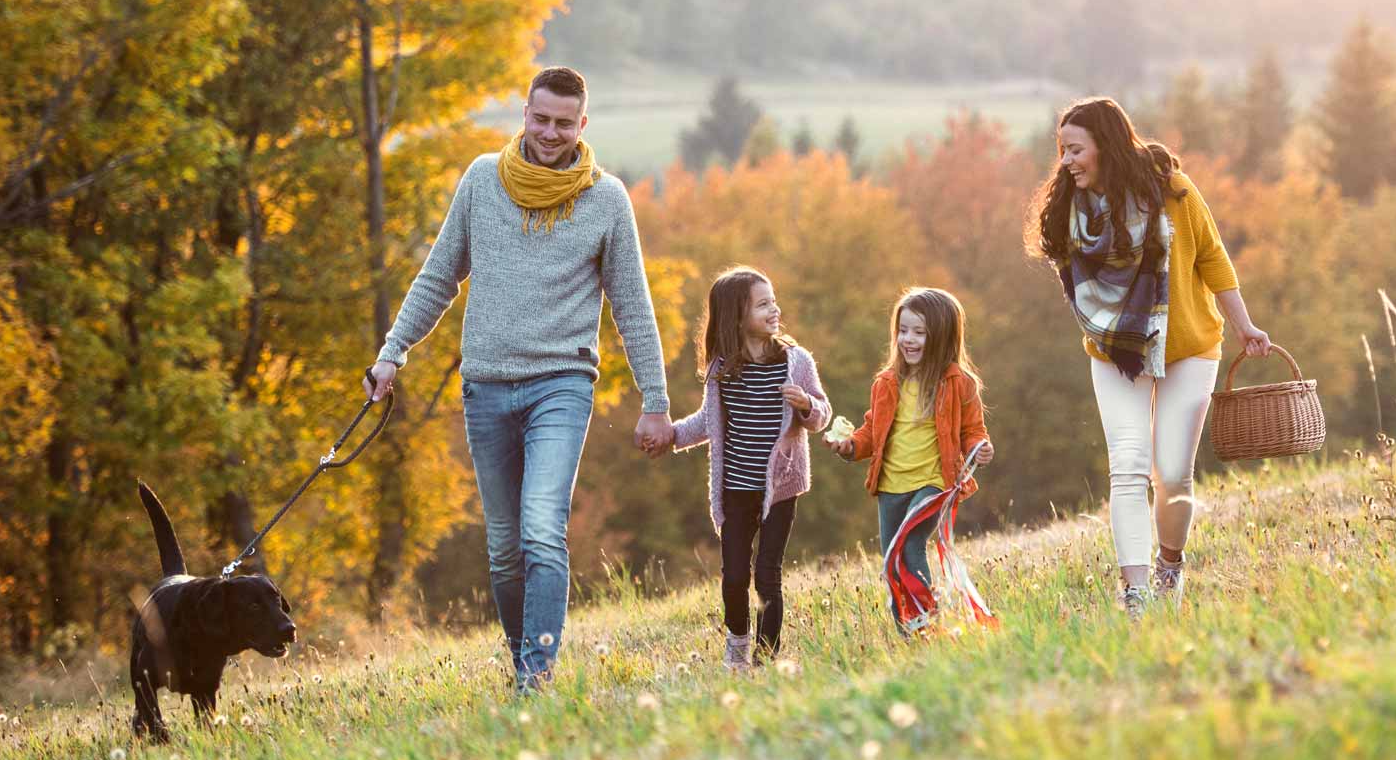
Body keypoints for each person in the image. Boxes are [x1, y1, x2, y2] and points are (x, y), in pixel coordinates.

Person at [364, 66, 671, 690]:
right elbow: (438, 275)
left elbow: (633, 305)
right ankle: (521, 663)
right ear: (524, 115)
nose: (551, 132)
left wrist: (656, 399)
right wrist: (393, 351)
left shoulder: (606, 200)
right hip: (485, 388)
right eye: (541, 118)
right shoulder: (482, 180)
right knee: (504, 547)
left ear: (582, 125)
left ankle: (536, 678)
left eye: (564, 122)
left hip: (562, 383)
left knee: (540, 528)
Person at [1025, 96, 1270, 620]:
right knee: (1129, 465)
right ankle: (1135, 594)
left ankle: (1169, 567)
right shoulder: (1074, 208)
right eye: (1062, 150)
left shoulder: (1174, 191)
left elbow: (1212, 256)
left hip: (1189, 345)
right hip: (1116, 351)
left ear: (1106, 146)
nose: (1066, 161)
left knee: (1174, 472)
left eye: (1075, 149)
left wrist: (1246, 325)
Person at [670, 267, 832, 668]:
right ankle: (738, 644)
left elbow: (822, 414)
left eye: (773, 301)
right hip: (736, 490)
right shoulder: (723, 370)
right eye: (763, 304)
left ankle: (765, 657)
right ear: (736, 316)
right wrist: (670, 436)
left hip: (781, 488)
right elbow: (707, 423)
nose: (774, 309)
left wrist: (807, 406)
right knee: (735, 577)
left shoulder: (796, 362)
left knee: (767, 574)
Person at [831, 287, 994, 630]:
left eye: (919, 332)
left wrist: (980, 446)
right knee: (891, 560)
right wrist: (851, 447)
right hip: (891, 486)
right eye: (903, 330)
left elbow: (973, 430)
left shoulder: (959, 383)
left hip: (933, 483)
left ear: (943, 337)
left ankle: (925, 622)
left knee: (910, 545)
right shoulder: (886, 383)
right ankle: (907, 631)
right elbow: (872, 429)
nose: (909, 339)